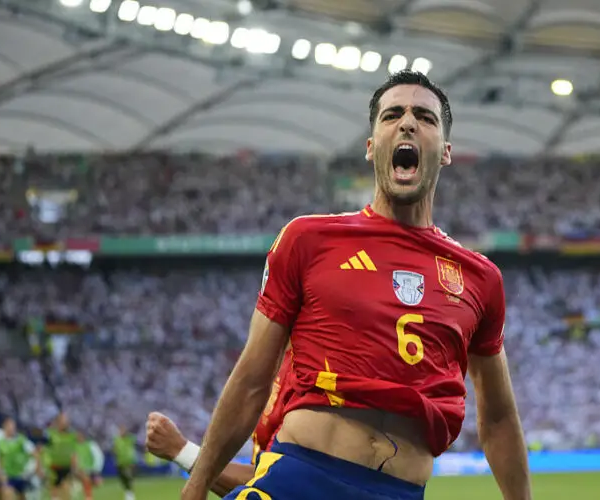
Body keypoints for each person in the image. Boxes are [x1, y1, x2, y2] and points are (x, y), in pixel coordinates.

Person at [183, 69, 531, 500]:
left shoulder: (480, 278)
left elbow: (497, 419)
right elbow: (253, 378)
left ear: (444, 152)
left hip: (398, 492)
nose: (407, 122)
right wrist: (196, 487)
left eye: (424, 116)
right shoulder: (307, 239)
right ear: (371, 148)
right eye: (391, 116)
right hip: (299, 478)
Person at [145, 345, 295, 497]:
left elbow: (284, 483)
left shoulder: (306, 369)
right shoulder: (280, 361)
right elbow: (265, 476)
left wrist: (182, 451)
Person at [0, 418, 42, 500]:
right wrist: (0, 471)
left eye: (12, 426)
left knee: (22, 497)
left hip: (23, 475)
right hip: (9, 475)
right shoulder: (1, 442)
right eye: (8, 426)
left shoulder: (22, 440)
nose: (11, 428)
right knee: (7, 493)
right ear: (4, 427)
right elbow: (1, 458)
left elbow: (35, 454)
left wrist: (38, 468)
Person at [45, 413, 77, 500]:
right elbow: (45, 449)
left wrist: (75, 466)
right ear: (57, 422)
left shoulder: (72, 435)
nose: (64, 422)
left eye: (65, 420)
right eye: (61, 420)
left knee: (66, 488)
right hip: (54, 466)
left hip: (67, 466)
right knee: (55, 488)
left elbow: (74, 452)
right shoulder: (51, 434)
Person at [112, 426, 137, 500]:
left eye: (122, 431)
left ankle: (130, 495)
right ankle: (128, 493)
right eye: (120, 431)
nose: (121, 432)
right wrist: (115, 451)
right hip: (120, 462)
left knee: (129, 478)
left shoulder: (129, 439)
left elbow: (134, 439)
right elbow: (115, 448)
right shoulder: (117, 439)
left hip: (129, 462)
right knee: (122, 480)